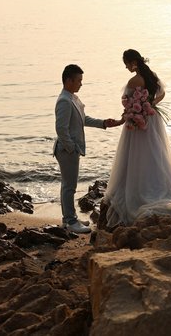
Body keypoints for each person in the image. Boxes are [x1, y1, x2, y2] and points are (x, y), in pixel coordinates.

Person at [103, 49, 171, 227]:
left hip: (137, 122)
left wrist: (135, 110)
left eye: (126, 63)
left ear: (132, 62)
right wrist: (151, 104)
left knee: (137, 156)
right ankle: (158, 186)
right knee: (155, 153)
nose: (125, 67)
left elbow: (126, 102)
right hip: (152, 118)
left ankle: (140, 190)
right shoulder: (151, 75)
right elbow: (162, 93)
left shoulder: (133, 80)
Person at [54, 64, 119, 234]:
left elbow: (83, 119)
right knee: (69, 187)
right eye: (79, 80)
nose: (81, 84)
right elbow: (61, 129)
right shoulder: (64, 101)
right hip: (66, 150)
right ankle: (70, 221)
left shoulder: (73, 98)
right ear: (69, 80)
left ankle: (69, 218)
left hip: (70, 149)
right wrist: (71, 148)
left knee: (68, 185)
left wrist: (103, 123)